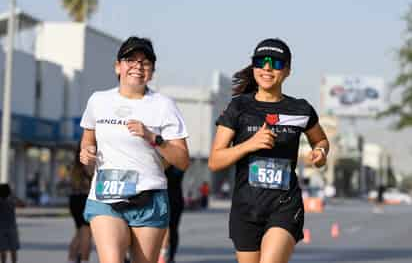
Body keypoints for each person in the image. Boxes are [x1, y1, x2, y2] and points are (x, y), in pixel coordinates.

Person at [208, 38, 329, 263]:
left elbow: (320, 140)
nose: (267, 67)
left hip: (284, 205)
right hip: (246, 208)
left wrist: (320, 153)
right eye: (261, 61)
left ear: (288, 70)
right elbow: (215, 161)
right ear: (254, 66)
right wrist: (249, 144)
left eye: (275, 63)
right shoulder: (239, 107)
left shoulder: (301, 109)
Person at [79, 36, 190, 263]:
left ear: (152, 71)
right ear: (118, 66)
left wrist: (153, 137)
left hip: (149, 199)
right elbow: (88, 137)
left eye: (145, 62)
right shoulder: (98, 101)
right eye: (130, 60)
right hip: (105, 198)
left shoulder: (163, 105)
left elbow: (182, 160)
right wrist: (86, 151)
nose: (138, 66)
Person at [67, 144, 93, 263]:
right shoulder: (87, 162)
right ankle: (84, 259)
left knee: (79, 232)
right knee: (87, 233)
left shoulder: (74, 165)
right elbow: (92, 178)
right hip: (85, 199)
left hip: (74, 200)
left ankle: (71, 259)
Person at [158, 166, 185, 263]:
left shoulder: (176, 161)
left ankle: (169, 256)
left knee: (171, 229)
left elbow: (177, 175)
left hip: (173, 199)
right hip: (160, 198)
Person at [0, 184, 24, 263]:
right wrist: (13, 196)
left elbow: (22, 205)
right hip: (11, 228)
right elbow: (23, 205)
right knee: (13, 250)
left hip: (2, 228)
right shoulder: (11, 201)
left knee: (3, 250)